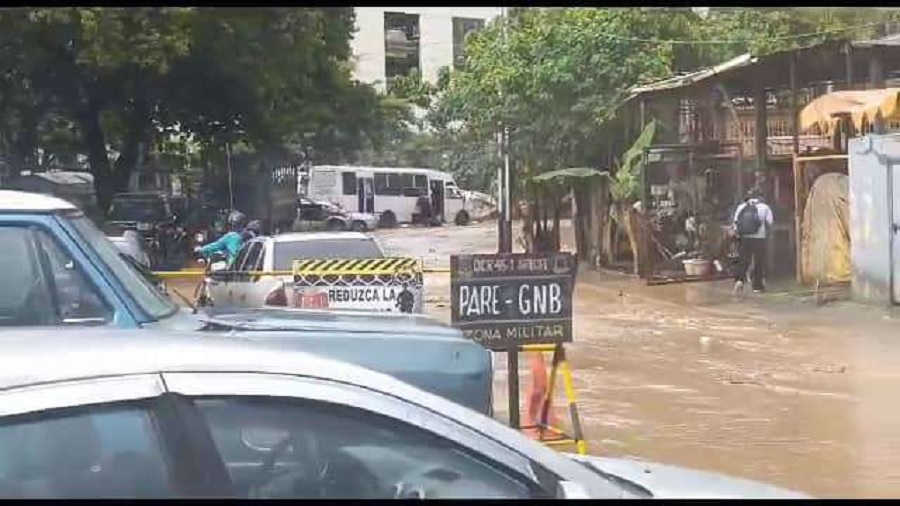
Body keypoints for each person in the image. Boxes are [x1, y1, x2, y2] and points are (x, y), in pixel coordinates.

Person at [732, 190, 774, 294]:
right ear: (760, 197)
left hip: (744, 237)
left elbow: (736, 223)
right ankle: (757, 286)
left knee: (743, 260)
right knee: (758, 261)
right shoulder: (765, 207)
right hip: (760, 238)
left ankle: (739, 281)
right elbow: (770, 222)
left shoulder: (741, 207)